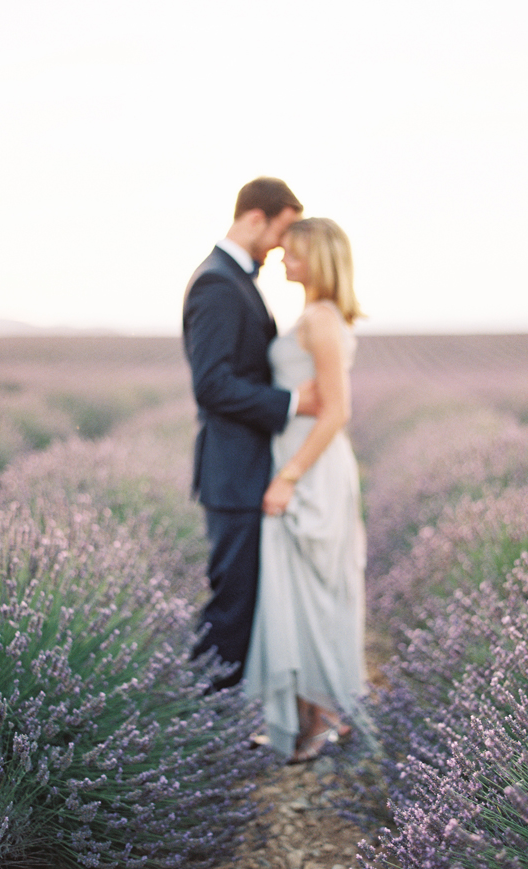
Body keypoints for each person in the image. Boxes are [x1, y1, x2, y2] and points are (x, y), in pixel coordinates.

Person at [182, 177, 317, 690]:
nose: (285, 245)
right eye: (283, 230)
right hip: (233, 472)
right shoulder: (218, 282)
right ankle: (204, 725)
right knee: (232, 605)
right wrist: (291, 402)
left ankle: (220, 720)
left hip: (246, 467)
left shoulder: (235, 278)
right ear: (256, 218)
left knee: (245, 601)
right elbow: (212, 385)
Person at [244, 217, 366, 763]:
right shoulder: (317, 315)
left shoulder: (319, 318)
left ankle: (320, 717)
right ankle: (302, 714)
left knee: (315, 591)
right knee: (298, 588)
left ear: (318, 259)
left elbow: (337, 410)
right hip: (300, 458)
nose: (284, 261)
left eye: (294, 254)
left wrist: (289, 476)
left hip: (311, 469)